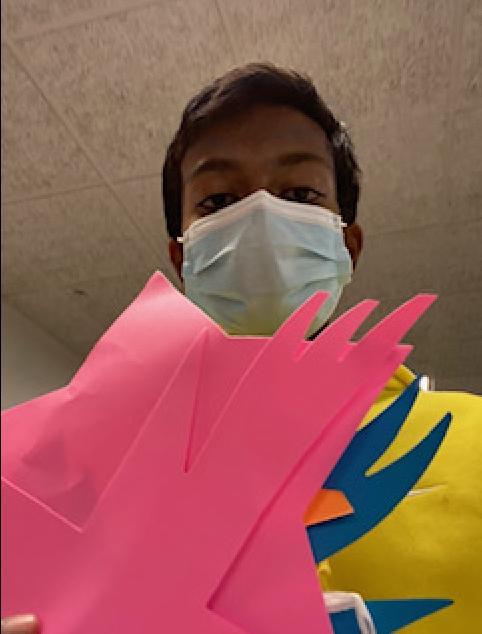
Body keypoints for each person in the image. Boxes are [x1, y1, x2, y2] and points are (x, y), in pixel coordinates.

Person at [3, 63, 480, 633]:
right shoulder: (82, 468)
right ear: (182, 258)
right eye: (218, 201)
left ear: (347, 245)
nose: (259, 214)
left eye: (299, 193)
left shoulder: (469, 438)